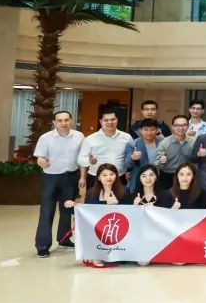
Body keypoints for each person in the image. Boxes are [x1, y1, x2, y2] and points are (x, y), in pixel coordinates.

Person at [33, 110, 85, 257]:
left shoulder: (79, 136)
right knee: (47, 211)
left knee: (67, 209)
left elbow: (82, 158)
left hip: (71, 177)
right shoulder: (45, 138)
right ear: (54, 123)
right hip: (51, 178)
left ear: (71, 121)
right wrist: (42, 162)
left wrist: (82, 177)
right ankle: (42, 245)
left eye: (66, 120)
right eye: (60, 120)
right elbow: (39, 158)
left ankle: (64, 239)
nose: (64, 123)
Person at [77, 108, 133, 189]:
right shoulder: (90, 139)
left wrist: (129, 171)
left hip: (119, 177)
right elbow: (81, 159)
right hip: (96, 178)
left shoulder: (127, 137)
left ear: (117, 120)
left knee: (120, 197)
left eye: (112, 119)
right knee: (94, 197)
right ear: (101, 121)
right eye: (106, 120)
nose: (110, 122)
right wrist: (89, 161)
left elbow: (130, 156)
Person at [153, 115, 196, 191]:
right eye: (177, 125)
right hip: (168, 176)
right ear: (172, 127)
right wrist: (161, 161)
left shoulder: (194, 142)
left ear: (188, 126)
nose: (181, 128)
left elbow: (196, 161)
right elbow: (156, 164)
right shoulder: (164, 143)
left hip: (187, 176)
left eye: (184, 125)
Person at [124, 119, 160, 194]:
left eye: (152, 129)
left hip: (158, 180)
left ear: (157, 130)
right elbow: (127, 164)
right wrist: (132, 158)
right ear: (140, 130)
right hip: (139, 181)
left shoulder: (162, 142)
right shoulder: (132, 144)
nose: (149, 132)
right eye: (146, 130)